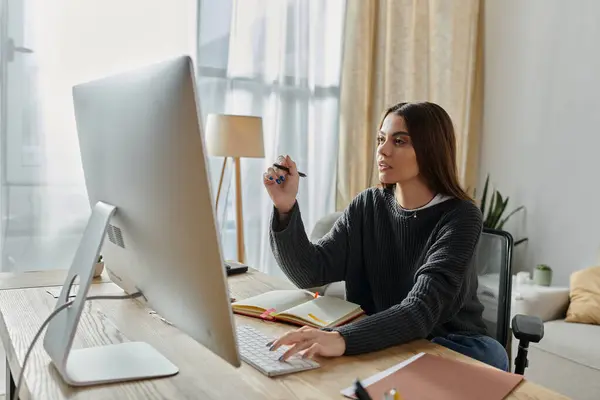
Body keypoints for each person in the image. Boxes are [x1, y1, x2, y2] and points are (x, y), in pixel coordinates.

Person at [262, 101, 509, 372]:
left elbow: (421, 309)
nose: (382, 149)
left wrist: (342, 339)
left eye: (399, 141)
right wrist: (285, 207)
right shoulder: (368, 205)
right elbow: (309, 272)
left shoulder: (461, 216)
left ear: (430, 149)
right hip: (383, 336)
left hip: (449, 343)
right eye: (381, 139)